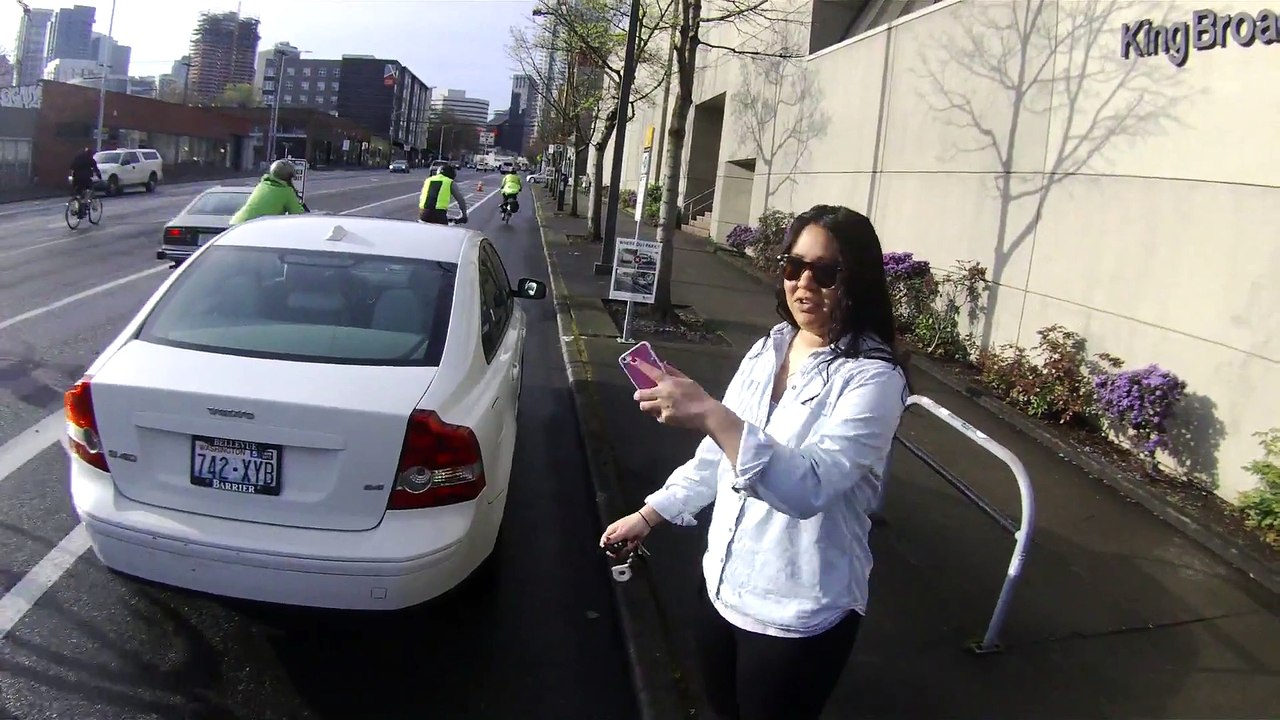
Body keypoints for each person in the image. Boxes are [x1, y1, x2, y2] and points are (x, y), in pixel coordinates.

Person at [600, 204, 909, 720]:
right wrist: (651, 513)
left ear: (858, 279)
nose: (803, 284)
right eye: (793, 267)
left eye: (825, 272)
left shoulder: (874, 379)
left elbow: (809, 488)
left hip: (797, 612)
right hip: (722, 587)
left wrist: (708, 411)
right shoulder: (771, 347)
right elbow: (716, 454)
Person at [230, 160, 307, 226]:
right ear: (289, 177)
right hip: (253, 226)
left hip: (237, 222)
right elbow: (297, 214)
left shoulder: (262, 185)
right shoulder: (286, 191)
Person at [68, 147, 101, 216]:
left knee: (78, 193)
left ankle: (76, 208)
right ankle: (84, 205)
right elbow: (96, 169)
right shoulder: (90, 160)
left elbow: (71, 167)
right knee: (89, 190)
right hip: (85, 179)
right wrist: (99, 176)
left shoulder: (76, 159)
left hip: (76, 179)